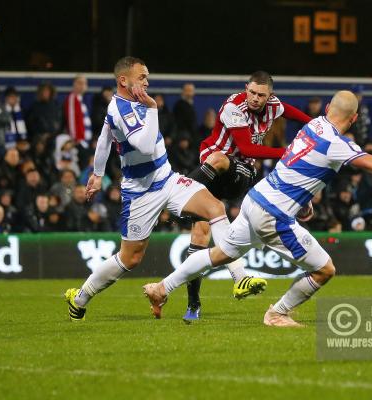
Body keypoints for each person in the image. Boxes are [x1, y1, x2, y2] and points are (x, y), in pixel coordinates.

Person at [143, 90, 372, 325]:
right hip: (273, 213)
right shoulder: (337, 143)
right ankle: (277, 313)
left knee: (218, 254)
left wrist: (300, 204)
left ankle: (162, 288)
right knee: (324, 270)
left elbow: (296, 162)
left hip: (256, 198)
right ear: (354, 119)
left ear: (328, 109)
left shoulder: (315, 125)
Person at [63, 57, 251, 321]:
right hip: (140, 193)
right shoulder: (123, 109)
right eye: (142, 77)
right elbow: (145, 145)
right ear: (124, 81)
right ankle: (80, 297)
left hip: (167, 179)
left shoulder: (123, 106)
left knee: (215, 208)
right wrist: (152, 109)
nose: (147, 82)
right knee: (130, 259)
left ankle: (240, 278)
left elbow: (104, 138)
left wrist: (97, 173)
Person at [182, 71, 312, 322]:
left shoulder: (275, 106)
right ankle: (194, 304)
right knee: (200, 234)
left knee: (225, 168)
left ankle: (179, 196)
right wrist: (289, 152)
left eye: (260, 95)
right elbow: (248, 147)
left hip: (241, 172)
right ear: (246, 88)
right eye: (251, 92)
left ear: (269, 96)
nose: (254, 98)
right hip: (213, 167)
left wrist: (320, 128)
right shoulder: (234, 106)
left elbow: (303, 119)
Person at [63, 76, 92, 146]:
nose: (82, 86)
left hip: (85, 141)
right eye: (80, 83)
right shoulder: (72, 98)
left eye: (84, 83)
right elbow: (71, 120)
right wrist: (76, 140)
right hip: (79, 142)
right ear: (74, 84)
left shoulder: (80, 99)